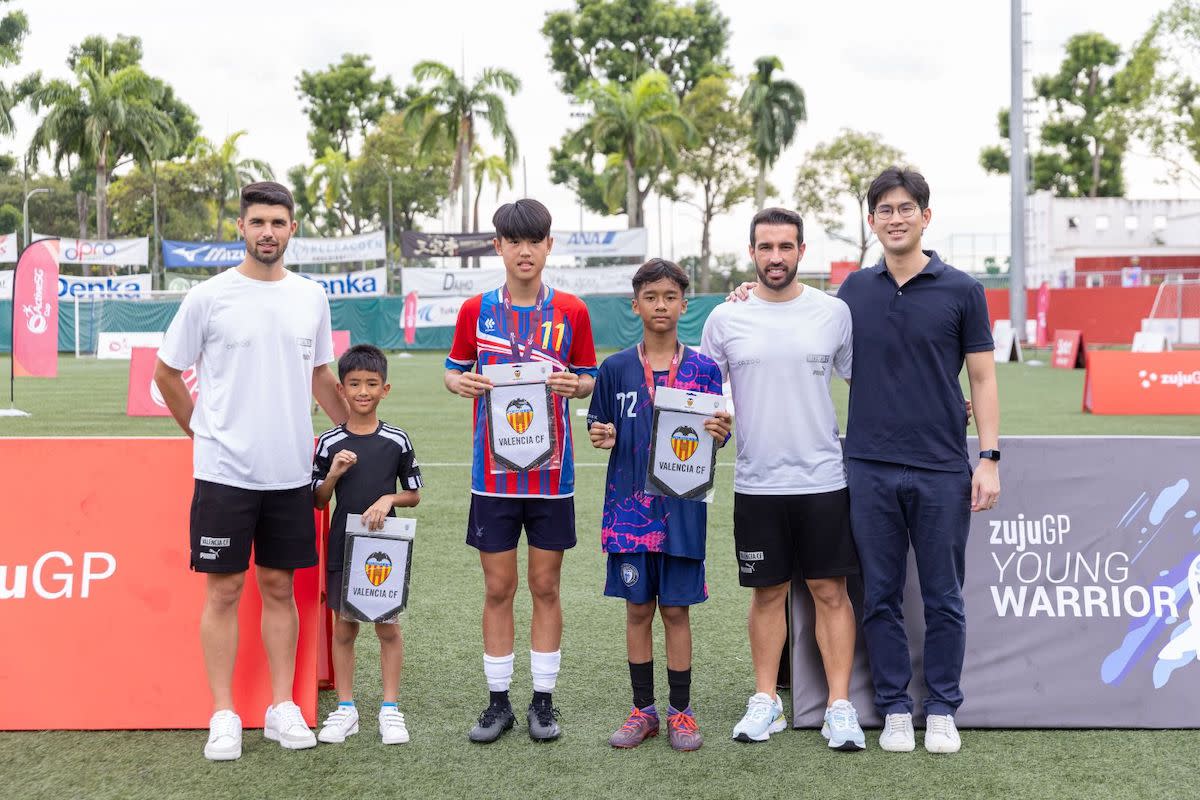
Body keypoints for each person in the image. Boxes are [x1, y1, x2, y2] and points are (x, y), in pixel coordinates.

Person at [154, 181, 348, 761]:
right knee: (224, 591)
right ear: (240, 227)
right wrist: (201, 431)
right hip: (223, 473)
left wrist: (359, 429)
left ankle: (281, 706)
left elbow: (322, 378)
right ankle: (223, 714)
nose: (268, 232)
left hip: (290, 472)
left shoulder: (310, 297)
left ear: (292, 230)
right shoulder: (209, 297)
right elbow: (168, 374)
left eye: (279, 223)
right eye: (258, 222)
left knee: (279, 589)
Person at [836, 167, 999, 754]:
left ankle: (943, 709)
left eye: (906, 208)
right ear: (872, 220)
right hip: (870, 466)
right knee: (877, 593)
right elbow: (803, 326)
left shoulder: (962, 290)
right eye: (884, 209)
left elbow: (982, 378)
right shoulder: (853, 290)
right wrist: (749, 294)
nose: (896, 218)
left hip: (940, 467)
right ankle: (896, 707)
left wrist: (989, 456)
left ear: (925, 216)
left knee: (943, 596)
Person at [700, 207, 865, 751]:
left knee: (829, 591)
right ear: (752, 253)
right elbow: (705, 394)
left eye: (786, 247)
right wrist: (714, 422)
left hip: (823, 479)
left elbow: (866, 381)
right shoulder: (726, 319)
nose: (776, 257)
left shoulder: (833, 313)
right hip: (757, 483)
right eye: (766, 247)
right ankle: (767, 700)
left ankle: (839, 707)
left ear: (801, 252)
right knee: (767, 594)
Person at [444, 198, 598, 743]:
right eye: (514, 241)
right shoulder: (475, 310)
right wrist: (460, 383)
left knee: (546, 585)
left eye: (535, 240)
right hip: (493, 475)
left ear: (549, 245)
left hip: (552, 476)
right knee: (498, 587)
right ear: (499, 247)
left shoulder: (572, 312)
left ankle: (543, 702)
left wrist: (575, 386)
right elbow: (453, 371)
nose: (525, 250)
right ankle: (497, 703)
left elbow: (588, 377)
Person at [587, 259, 731, 752]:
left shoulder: (705, 370)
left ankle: (681, 713)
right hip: (628, 514)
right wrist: (599, 435)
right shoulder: (615, 369)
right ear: (636, 305)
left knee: (675, 612)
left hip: (683, 513)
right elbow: (599, 427)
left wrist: (721, 433)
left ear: (683, 305)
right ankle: (642, 710)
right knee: (637, 611)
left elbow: (716, 438)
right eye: (651, 297)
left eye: (670, 296)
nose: (661, 305)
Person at [311, 344, 422, 746]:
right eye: (354, 383)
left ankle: (390, 710)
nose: (362, 391)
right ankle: (346, 708)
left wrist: (388, 499)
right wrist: (335, 473)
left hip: (386, 548)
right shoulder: (329, 443)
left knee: (387, 627)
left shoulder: (396, 440)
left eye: (371, 384)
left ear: (384, 389)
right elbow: (319, 499)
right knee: (345, 626)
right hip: (343, 544)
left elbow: (413, 493)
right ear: (340, 389)